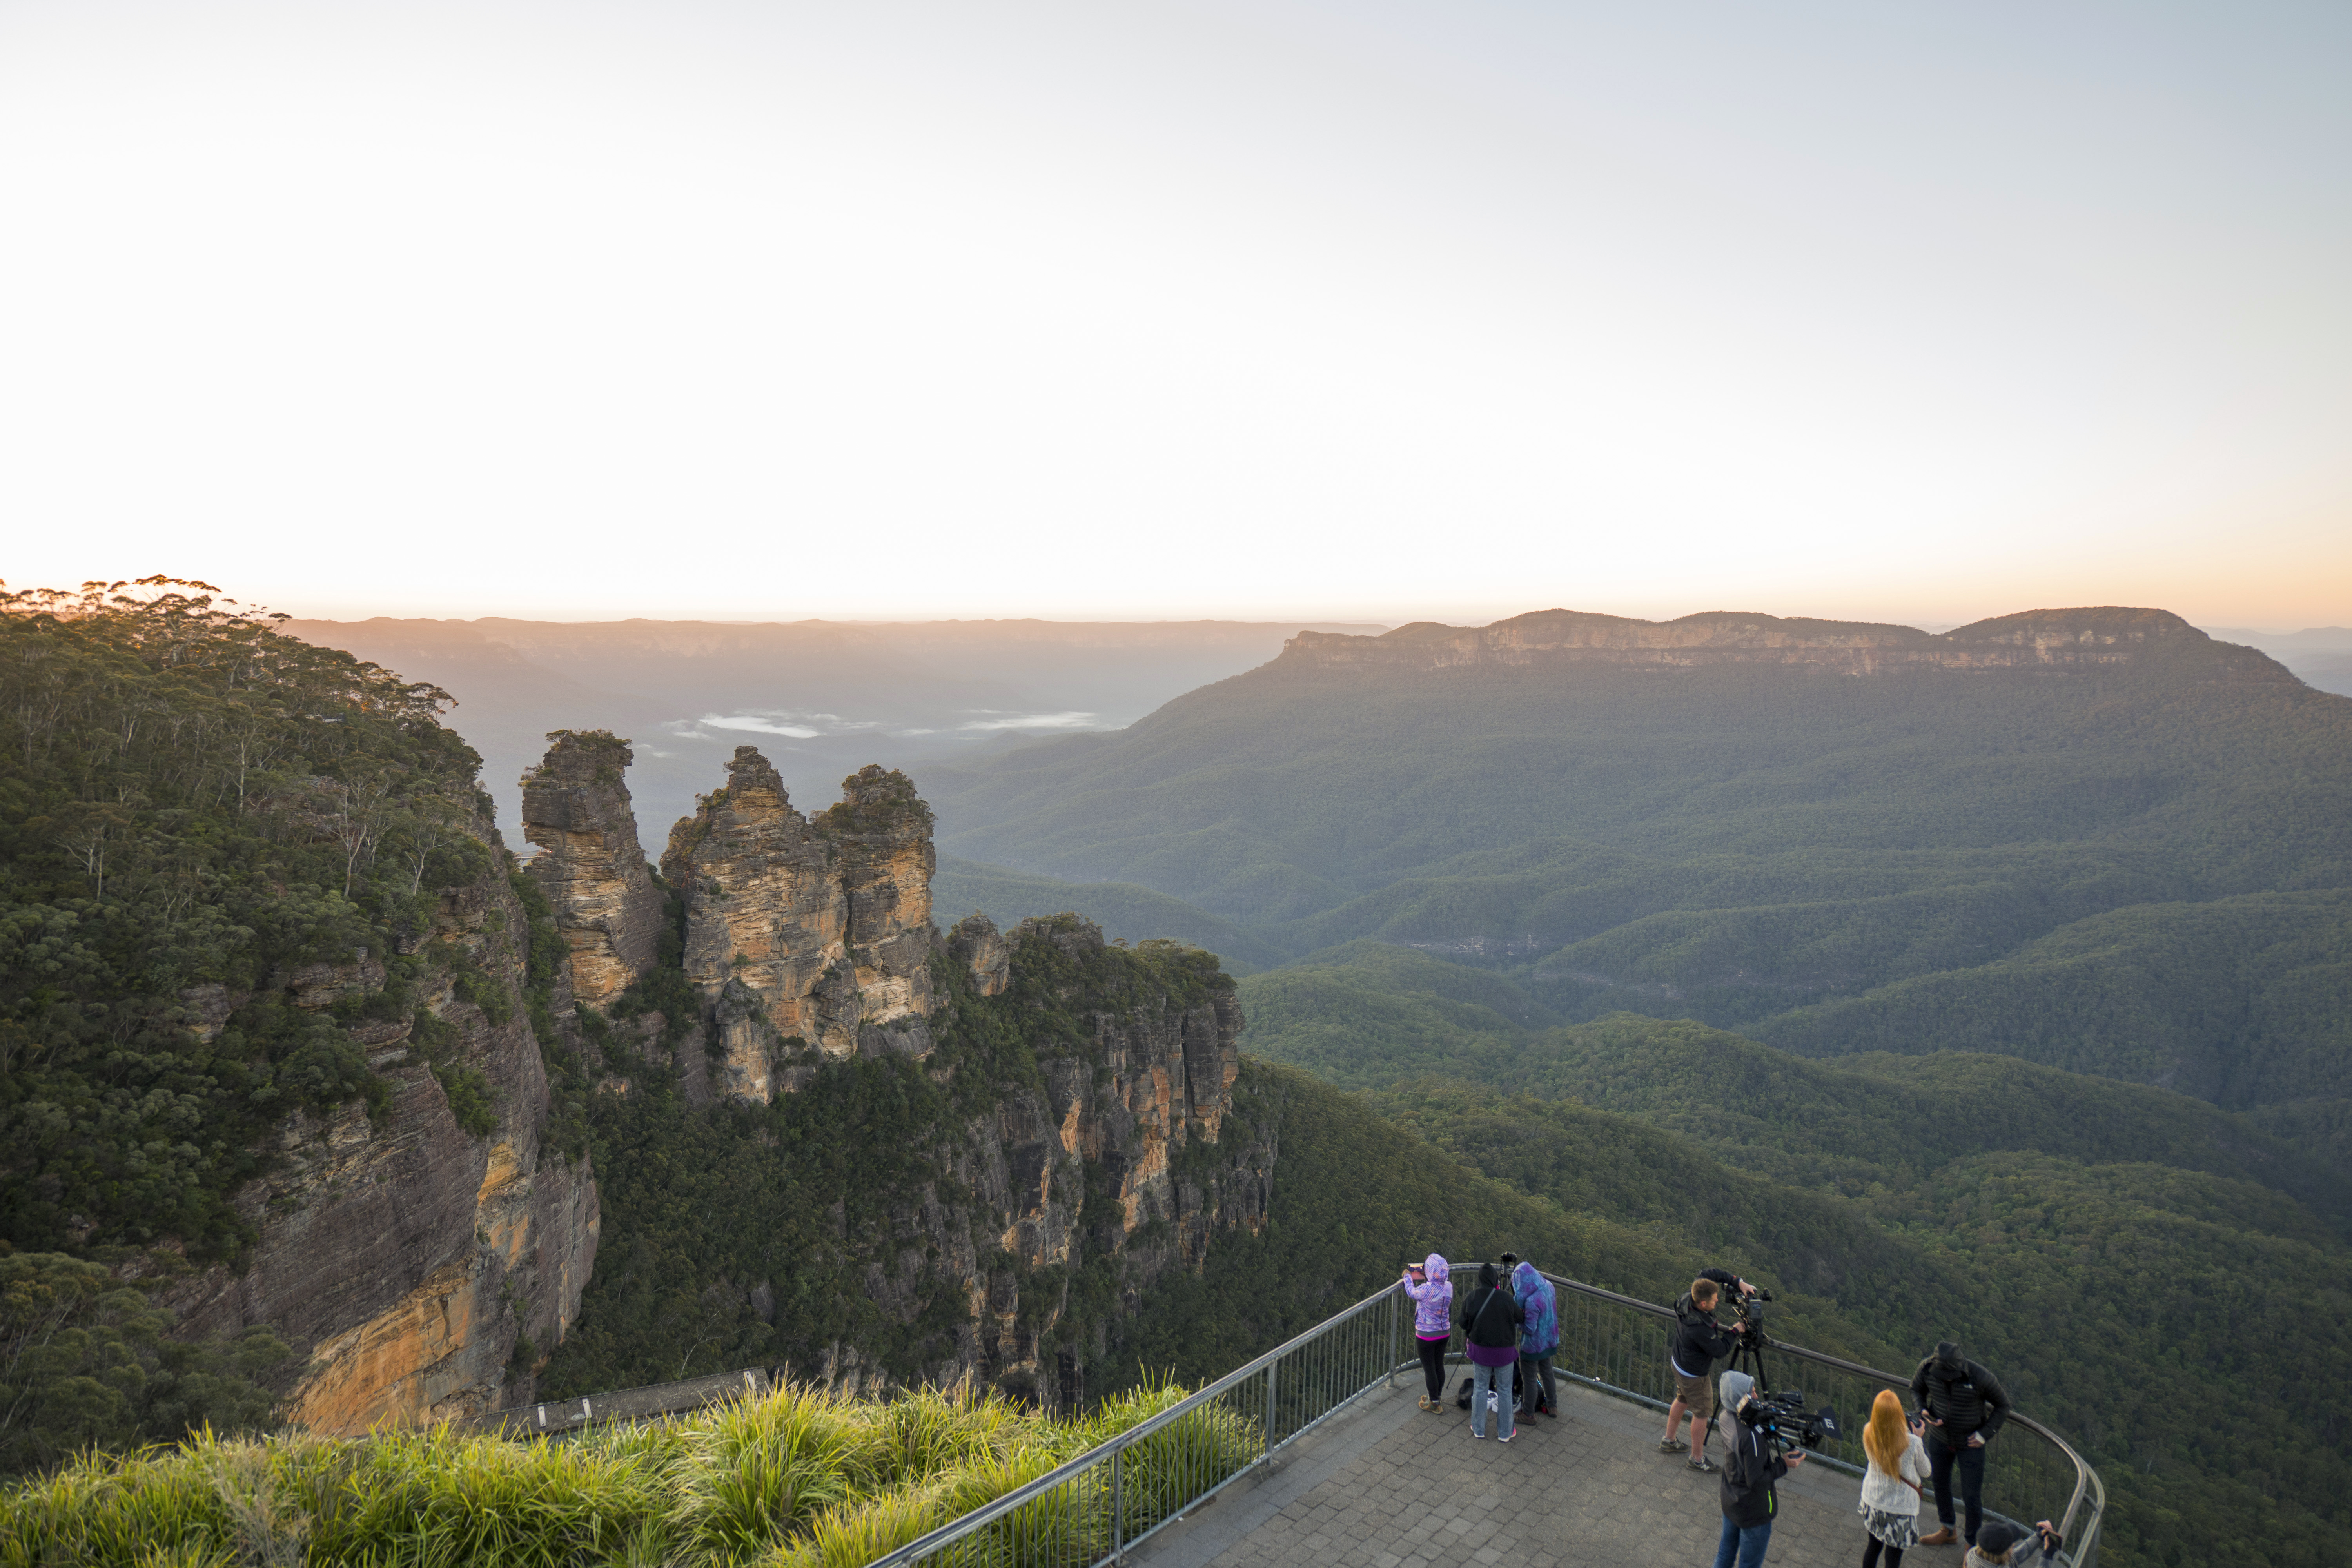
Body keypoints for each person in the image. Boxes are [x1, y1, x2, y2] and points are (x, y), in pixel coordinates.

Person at [1909, 1341, 2012, 1548]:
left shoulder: (1979, 1376)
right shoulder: (1927, 1368)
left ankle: (1972, 1545)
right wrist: (1923, 1410)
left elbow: (2003, 1405)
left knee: (1971, 1496)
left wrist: (1984, 1435)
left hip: (1971, 1443)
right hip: (1940, 1436)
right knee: (1939, 1483)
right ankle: (1947, 1530)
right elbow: (1916, 1389)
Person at [1661, 1268, 1757, 1473]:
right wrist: (1735, 1331)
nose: (1717, 1302)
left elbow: (1709, 1273)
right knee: (1702, 1413)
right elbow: (1720, 1350)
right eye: (1714, 1300)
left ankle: (1669, 1440)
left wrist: (1738, 1282)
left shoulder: (1691, 1296)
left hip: (1679, 1363)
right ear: (1703, 1304)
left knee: (1683, 1399)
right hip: (1694, 1374)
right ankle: (1697, 1460)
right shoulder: (1699, 1328)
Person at [1714, 1369, 1804, 1568]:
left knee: (1725, 1554)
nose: (1757, 1396)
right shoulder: (1751, 1436)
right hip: (1753, 1512)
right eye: (1752, 1393)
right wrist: (1784, 1464)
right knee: (1749, 1565)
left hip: (1731, 1499)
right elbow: (1755, 1480)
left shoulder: (1725, 1416)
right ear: (1741, 1399)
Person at [1857, 1389, 1930, 1568]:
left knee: (1873, 1547)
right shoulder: (1912, 1442)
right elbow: (1927, 1471)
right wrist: (1919, 1438)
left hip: (1874, 1500)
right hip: (1900, 1509)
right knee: (1893, 1559)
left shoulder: (1868, 1431)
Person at [1457, 1260, 1523, 1442]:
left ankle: (1478, 1429)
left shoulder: (1472, 1297)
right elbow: (1520, 1316)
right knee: (1505, 1390)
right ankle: (1505, 1433)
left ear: (1480, 1279)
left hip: (1481, 1351)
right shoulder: (1506, 1298)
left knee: (1480, 1387)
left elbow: (1463, 1322)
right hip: (1504, 1353)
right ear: (1495, 1279)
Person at [1401, 1254, 1454, 1412]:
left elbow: (1411, 1292)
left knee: (1429, 1369)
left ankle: (1434, 1403)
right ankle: (1437, 1395)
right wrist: (1429, 1276)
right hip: (1444, 1332)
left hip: (1426, 1334)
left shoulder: (1426, 1290)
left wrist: (1407, 1277)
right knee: (1439, 1365)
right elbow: (1436, 1285)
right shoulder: (1449, 1286)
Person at [1511, 1259, 1559, 1420]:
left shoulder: (1532, 1302)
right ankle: (1552, 1406)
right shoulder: (1549, 1287)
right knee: (1547, 1372)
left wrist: (1518, 1323)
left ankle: (1528, 1413)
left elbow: (1530, 1329)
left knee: (1529, 1378)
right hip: (1549, 1340)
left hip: (1533, 1346)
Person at [1964, 1520, 2065, 1567]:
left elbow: (2015, 1557)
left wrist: (2038, 1536)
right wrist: (2047, 1556)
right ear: (2004, 1555)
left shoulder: (1973, 1554)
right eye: (2011, 1545)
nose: (2013, 1546)